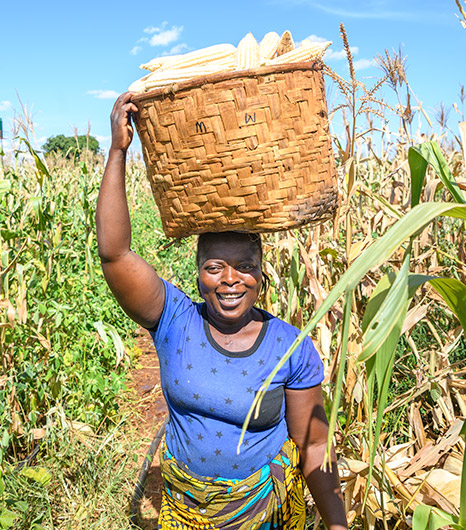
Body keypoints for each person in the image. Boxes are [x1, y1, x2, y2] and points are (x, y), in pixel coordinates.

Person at [96, 92, 348, 530]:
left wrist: (338, 526)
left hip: (263, 510)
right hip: (185, 509)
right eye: (215, 267)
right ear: (198, 275)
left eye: (245, 267)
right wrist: (118, 151)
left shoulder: (291, 346)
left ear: (262, 274)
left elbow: (312, 444)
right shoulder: (176, 320)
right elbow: (115, 255)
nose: (231, 279)